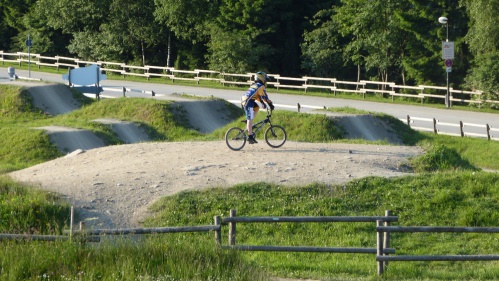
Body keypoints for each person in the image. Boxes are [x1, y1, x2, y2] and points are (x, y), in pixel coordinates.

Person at [241, 71, 274, 144]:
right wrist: (270, 104)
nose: (266, 81)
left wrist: (262, 103)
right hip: (248, 102)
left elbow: (258, 96)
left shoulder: (256, 85)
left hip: (247, 100)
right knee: (250, 118)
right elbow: (265, 97)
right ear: (262, 78)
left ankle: (248, 122)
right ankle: (250, 137)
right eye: (265, 79)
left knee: (257, 108)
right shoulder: (261, 86)